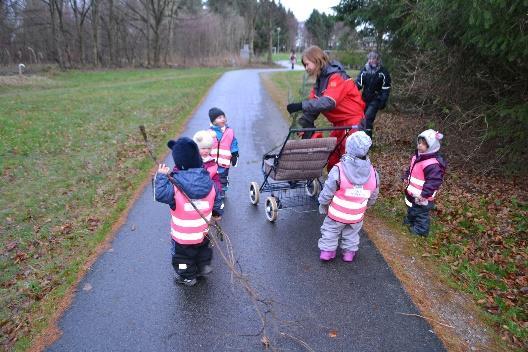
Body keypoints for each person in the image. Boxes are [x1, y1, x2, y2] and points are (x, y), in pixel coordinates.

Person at [154, 137, 223, 286]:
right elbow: (217, 199)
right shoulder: (210, 184)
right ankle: (204, 266)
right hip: (203, 232)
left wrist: (161, 176)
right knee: (203, 251)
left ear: (179, 163)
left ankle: (187, 276)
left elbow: (159, 195)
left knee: (182, 259)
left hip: (182, 237)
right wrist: (217, 213)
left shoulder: (174, 187)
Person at [286, 45, 366, 170]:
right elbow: (313, 108)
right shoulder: (319, 83)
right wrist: (299, 126)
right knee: (333, 161)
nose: (306, 68)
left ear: (316, 60)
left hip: (353, 124)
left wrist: (301, 105)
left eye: (307, 64)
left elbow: (329, 102)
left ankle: (355, 188)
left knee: (351, 163)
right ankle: (335, 188)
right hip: (339, 125)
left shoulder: (336, 77)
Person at [317, 131, 380, 262]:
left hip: (337, 213)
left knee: (330, 231)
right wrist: (367, 205)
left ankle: (327, 252)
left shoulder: (339, 169)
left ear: (348, 147)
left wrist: (323, 203)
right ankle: (349, 254)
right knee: (352, 233)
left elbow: (328, 190)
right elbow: (374, 193)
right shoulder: (373, 172)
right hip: (356, 214)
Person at [403, 129, 446, 237]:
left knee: (421, 213)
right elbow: (412, 169)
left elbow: (433, 182)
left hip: (423, 196)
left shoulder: (432, 164)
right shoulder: (417, 157)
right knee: (412, 208)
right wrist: (406, 176)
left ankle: (421, 230)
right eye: (419, 142)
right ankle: (411, 221)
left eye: (424, 144)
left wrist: (424, 194)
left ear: (431, 146)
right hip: (413, 192)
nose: (420, 145)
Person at [355, 51, 391, 139]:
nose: (372, 60)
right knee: (360, 119)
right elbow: (358, 84)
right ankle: (361, 140)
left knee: (367, 118)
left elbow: (386, 88)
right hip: (364, 99)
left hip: (376, 99)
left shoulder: (383, 72)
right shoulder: (365, 70)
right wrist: (350, 89)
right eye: (370, 58)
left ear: (378, 60)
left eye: (374, 58)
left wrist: (383, 101)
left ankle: (368, 141)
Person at [208, 107, 239, 196]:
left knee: (222, 177)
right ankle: (212, 191)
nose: (223, 119)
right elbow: (205, 144)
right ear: (214, 121)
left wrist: (235, 154)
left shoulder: (230, 131)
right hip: (211, 161)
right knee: (211, 177)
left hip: (224, 161)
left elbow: (234, 143)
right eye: (219, 118)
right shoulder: (209, 132)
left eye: (223, 117)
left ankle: (222, 192)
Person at [192, 130, 222, 195]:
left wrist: (217, 189)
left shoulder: (212, 162)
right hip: (193, 193)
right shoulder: (191, 161)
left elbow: (215, 178)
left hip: (208, 192)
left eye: (209, 148)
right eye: (203, 148)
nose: (206, 151)